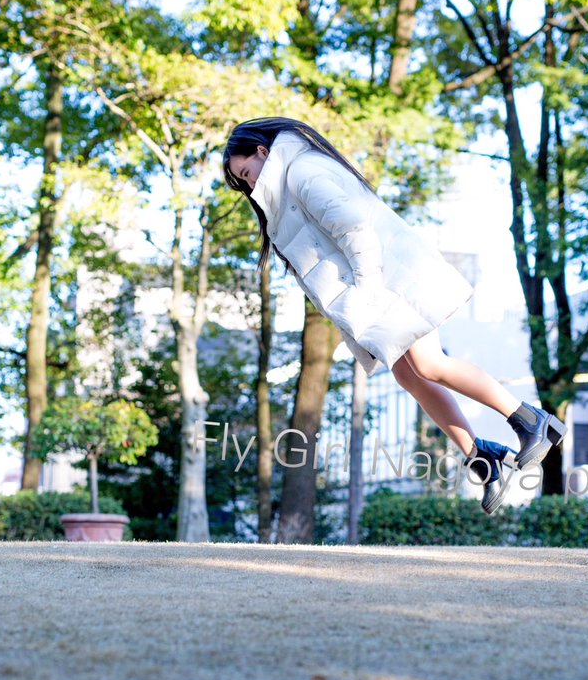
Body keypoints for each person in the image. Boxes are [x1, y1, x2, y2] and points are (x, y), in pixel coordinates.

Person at [223, 116, 566, 515]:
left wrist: (367, 293)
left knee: (429, 363)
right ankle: (480, 455)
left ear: (264, 152)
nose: (249, 186)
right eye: (243, 182)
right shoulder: (287, 187)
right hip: (378, 289)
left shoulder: (301, 172)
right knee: (408, 374)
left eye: (247, 174)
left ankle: (528, 419)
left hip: (390, 282)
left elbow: (356, 231)